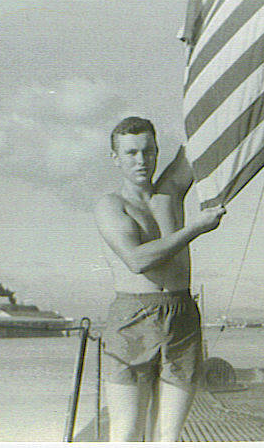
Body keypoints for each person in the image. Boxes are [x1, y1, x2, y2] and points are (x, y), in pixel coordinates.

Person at [95, 117, 225, 441]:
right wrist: (195, 228)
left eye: (148, 151)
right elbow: (137, 260)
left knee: (168, 438)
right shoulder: (110, 205)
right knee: (126, 434)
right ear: (116, 158)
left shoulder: (170, 192)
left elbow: (203, 133)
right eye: (131, 153)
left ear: (156, 152)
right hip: (132, 319)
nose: (141, 160)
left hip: (181, 314)